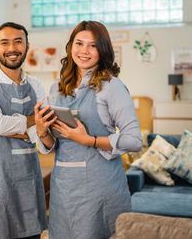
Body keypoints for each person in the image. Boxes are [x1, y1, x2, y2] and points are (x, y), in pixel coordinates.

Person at [34, 20, 142, 239]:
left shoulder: (111, 86)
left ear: (102, 50)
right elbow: (56, 144)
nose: (84, 51)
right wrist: (42, 131)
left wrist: (88, 140)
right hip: (63, 187)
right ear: (70, 46)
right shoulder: (58, 88)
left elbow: (134, 140)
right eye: (79, 43)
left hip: (98, 187)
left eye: (92, 45)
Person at [0, 22, 48, 239]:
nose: (12, 48)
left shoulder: (35, 85)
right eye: (4, 43)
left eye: (18, 41)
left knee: (32, 231)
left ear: (27, 45)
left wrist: (14, 127)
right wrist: (34, 121)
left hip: (28, 171)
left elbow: (42, 137)